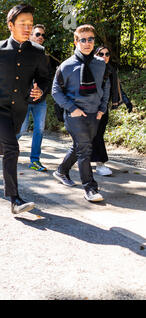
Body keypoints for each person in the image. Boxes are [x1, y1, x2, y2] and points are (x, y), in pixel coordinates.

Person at [0, 4, 50, 214]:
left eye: (30, 24)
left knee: (5, 146)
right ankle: (14, 199)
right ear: (11, 25)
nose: (27, 28)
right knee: (13, 148)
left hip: (20, 108)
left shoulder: (38, 52)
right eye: (23, 24)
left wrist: (40, 90)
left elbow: (44, 78)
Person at [52, 24, 110, 203]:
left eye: (90, 39)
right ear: (76, 41)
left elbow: (105, 86)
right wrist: (72, 109)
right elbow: (56, 91)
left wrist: (102, 109)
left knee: (79, 146)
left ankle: (61, 170)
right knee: (85, 149)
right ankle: (90, 188)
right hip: (75, 115)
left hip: (95, 114)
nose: (87, 43)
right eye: (82, 40)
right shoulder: (66, 66)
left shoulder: (101, 64)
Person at [16, 24, 59, 172]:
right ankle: (4, 147)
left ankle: (35, 160)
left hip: (40, 101)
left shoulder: (46, 58)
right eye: (38, 34)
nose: (41, 37)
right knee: (21, 130)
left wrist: (41, 91)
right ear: (30, 36)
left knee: (39, 130)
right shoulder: (19, 54)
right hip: (23, 101)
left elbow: (48, 79)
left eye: (42, 35)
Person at [91, 46, 134, 176]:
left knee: (98, 135)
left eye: (107, 54)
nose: (104, 56)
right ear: (96, 55)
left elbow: (118, 89)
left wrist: (126, 101)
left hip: (103, 109)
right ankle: (97, 163)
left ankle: (98, 163)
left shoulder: (111, 70)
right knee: (90, 136)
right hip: (90, 108)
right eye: (101, 54)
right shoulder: (91, 69)